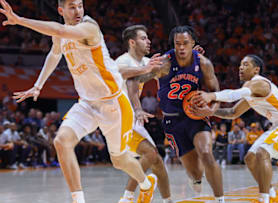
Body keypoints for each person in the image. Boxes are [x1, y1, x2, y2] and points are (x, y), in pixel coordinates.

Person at [1, 0, 161, 202]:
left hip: (113, 104)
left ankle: (146, 185)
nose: (77, 11)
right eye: (72, 7)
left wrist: (20, 20)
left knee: (119, 160)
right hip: (86, 103)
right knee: (61, 141)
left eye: (80, 5)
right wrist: (38, 85)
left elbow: (58, 29)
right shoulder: (61, 33)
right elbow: (55, 52)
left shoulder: (89, 27)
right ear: (61, 10)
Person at [192, 54, 278, 203]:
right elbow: (232, 112)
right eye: (240, 64)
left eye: (246, 65)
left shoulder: (259, 83)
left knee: (262, 153)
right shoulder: (250, 91)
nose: (240, 67)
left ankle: (263, 199)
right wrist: (209, 111)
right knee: (250, 158)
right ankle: (273, 196)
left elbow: (233, 95)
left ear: (256, 70)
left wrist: (211, 96)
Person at [132, 25, 224, 202]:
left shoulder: (203, 63)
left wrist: (211, 110)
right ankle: (196, 179)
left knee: (206, 153)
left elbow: (216, 93)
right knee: (195, 172)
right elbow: (135, 82)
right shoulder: (164, 63)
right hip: (173, 121)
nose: (181, 47)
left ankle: (221, 199)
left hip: (196, 115)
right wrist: (138, 106)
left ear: (193, 44)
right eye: (177, 44)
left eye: (185, 43)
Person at [115, 25, 171, 203]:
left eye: (148, 38)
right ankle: (128, 197)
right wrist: (138, 109)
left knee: (157, 162)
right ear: (132, 42)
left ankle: (168, 200)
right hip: (118, 117)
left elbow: (165, 65)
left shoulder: (146, 62)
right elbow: (128, 78)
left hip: (131, 117)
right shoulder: (123, 61)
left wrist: (190, 57)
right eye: (143, 38)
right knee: (150, 154)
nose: (149, 41)